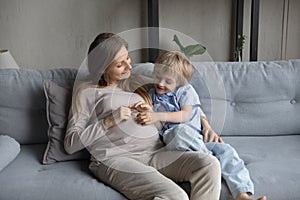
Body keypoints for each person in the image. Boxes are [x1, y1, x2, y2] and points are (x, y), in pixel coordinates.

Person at [64, 33, 221, 200]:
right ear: (102, 68)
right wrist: (109, 120)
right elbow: (70, 144)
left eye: (128, 59)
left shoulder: (136, 81)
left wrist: (205, 123)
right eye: (120, 65)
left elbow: (179, 92)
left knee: (209, 164)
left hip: (155, 153)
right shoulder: (85, 92)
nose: (128, 67)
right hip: (115, 158)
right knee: (176, 196)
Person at [133, 51, 267, 200]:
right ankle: (212, 161)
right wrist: (147, 112)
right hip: (174, 144)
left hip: (196, 142)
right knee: (177, 132)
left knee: (226, 151)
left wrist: (158, 115)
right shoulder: (151, 94)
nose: (160, 83)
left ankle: (243, 194)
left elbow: (186, 115)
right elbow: (157, 126)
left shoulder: (186, 91)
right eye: (157, 77)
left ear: (180, 82)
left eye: (168, 81)